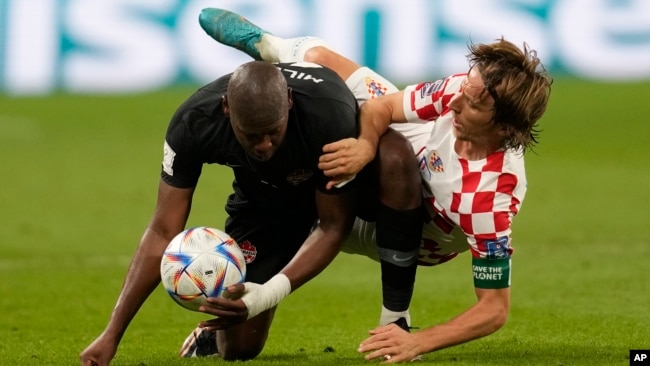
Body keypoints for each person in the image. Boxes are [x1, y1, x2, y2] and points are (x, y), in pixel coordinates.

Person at [198, 7, 552, 363]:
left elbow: (493, 309)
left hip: (415, 229)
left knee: (298, 217)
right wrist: (366, 145)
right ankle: (269, 45)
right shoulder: (461, 92)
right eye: (463, 89)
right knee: (322, 62)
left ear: (504, 128)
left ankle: (272, 281)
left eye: (472, 104)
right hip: (416, 144)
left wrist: (420, 342)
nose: (455, 101)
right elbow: (382, 107)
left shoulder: (486, 200)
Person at [79, 57, 423, 363]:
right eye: (250, 135)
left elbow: (333, 225)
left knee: (394, 156)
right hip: (266, 204)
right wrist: (111, 334)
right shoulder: (194, 122)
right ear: (227, 109)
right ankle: (212, 334)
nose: (264, 145)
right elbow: (162, 229)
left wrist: (267, 294)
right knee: (240, 347)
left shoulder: (327, 114)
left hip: (344, 193)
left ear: (288, 103)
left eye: (273, 132)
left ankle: (395, 319)